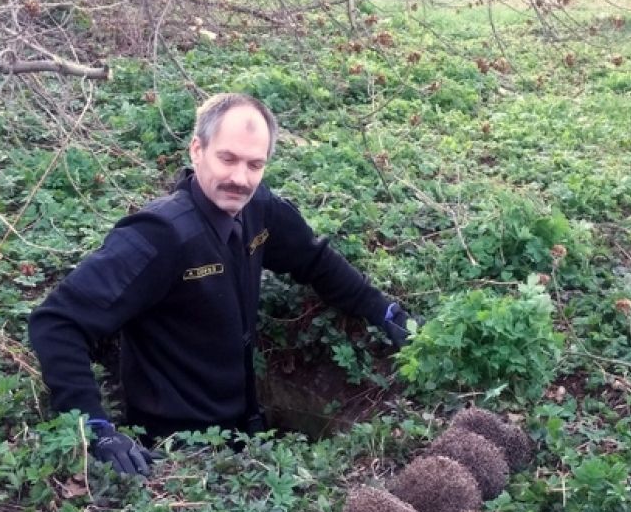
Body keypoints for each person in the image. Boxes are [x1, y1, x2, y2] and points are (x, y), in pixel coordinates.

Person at [29, 93, 415, 476]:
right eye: (227, 159)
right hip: (174, 446)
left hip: (244, 421)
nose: (239, 179)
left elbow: (314, 259)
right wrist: (95, 429)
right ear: (197, 150)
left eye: (254, 164)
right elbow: (59, 321)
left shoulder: (258, 208)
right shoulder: (160, 236)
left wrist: (383, 311)